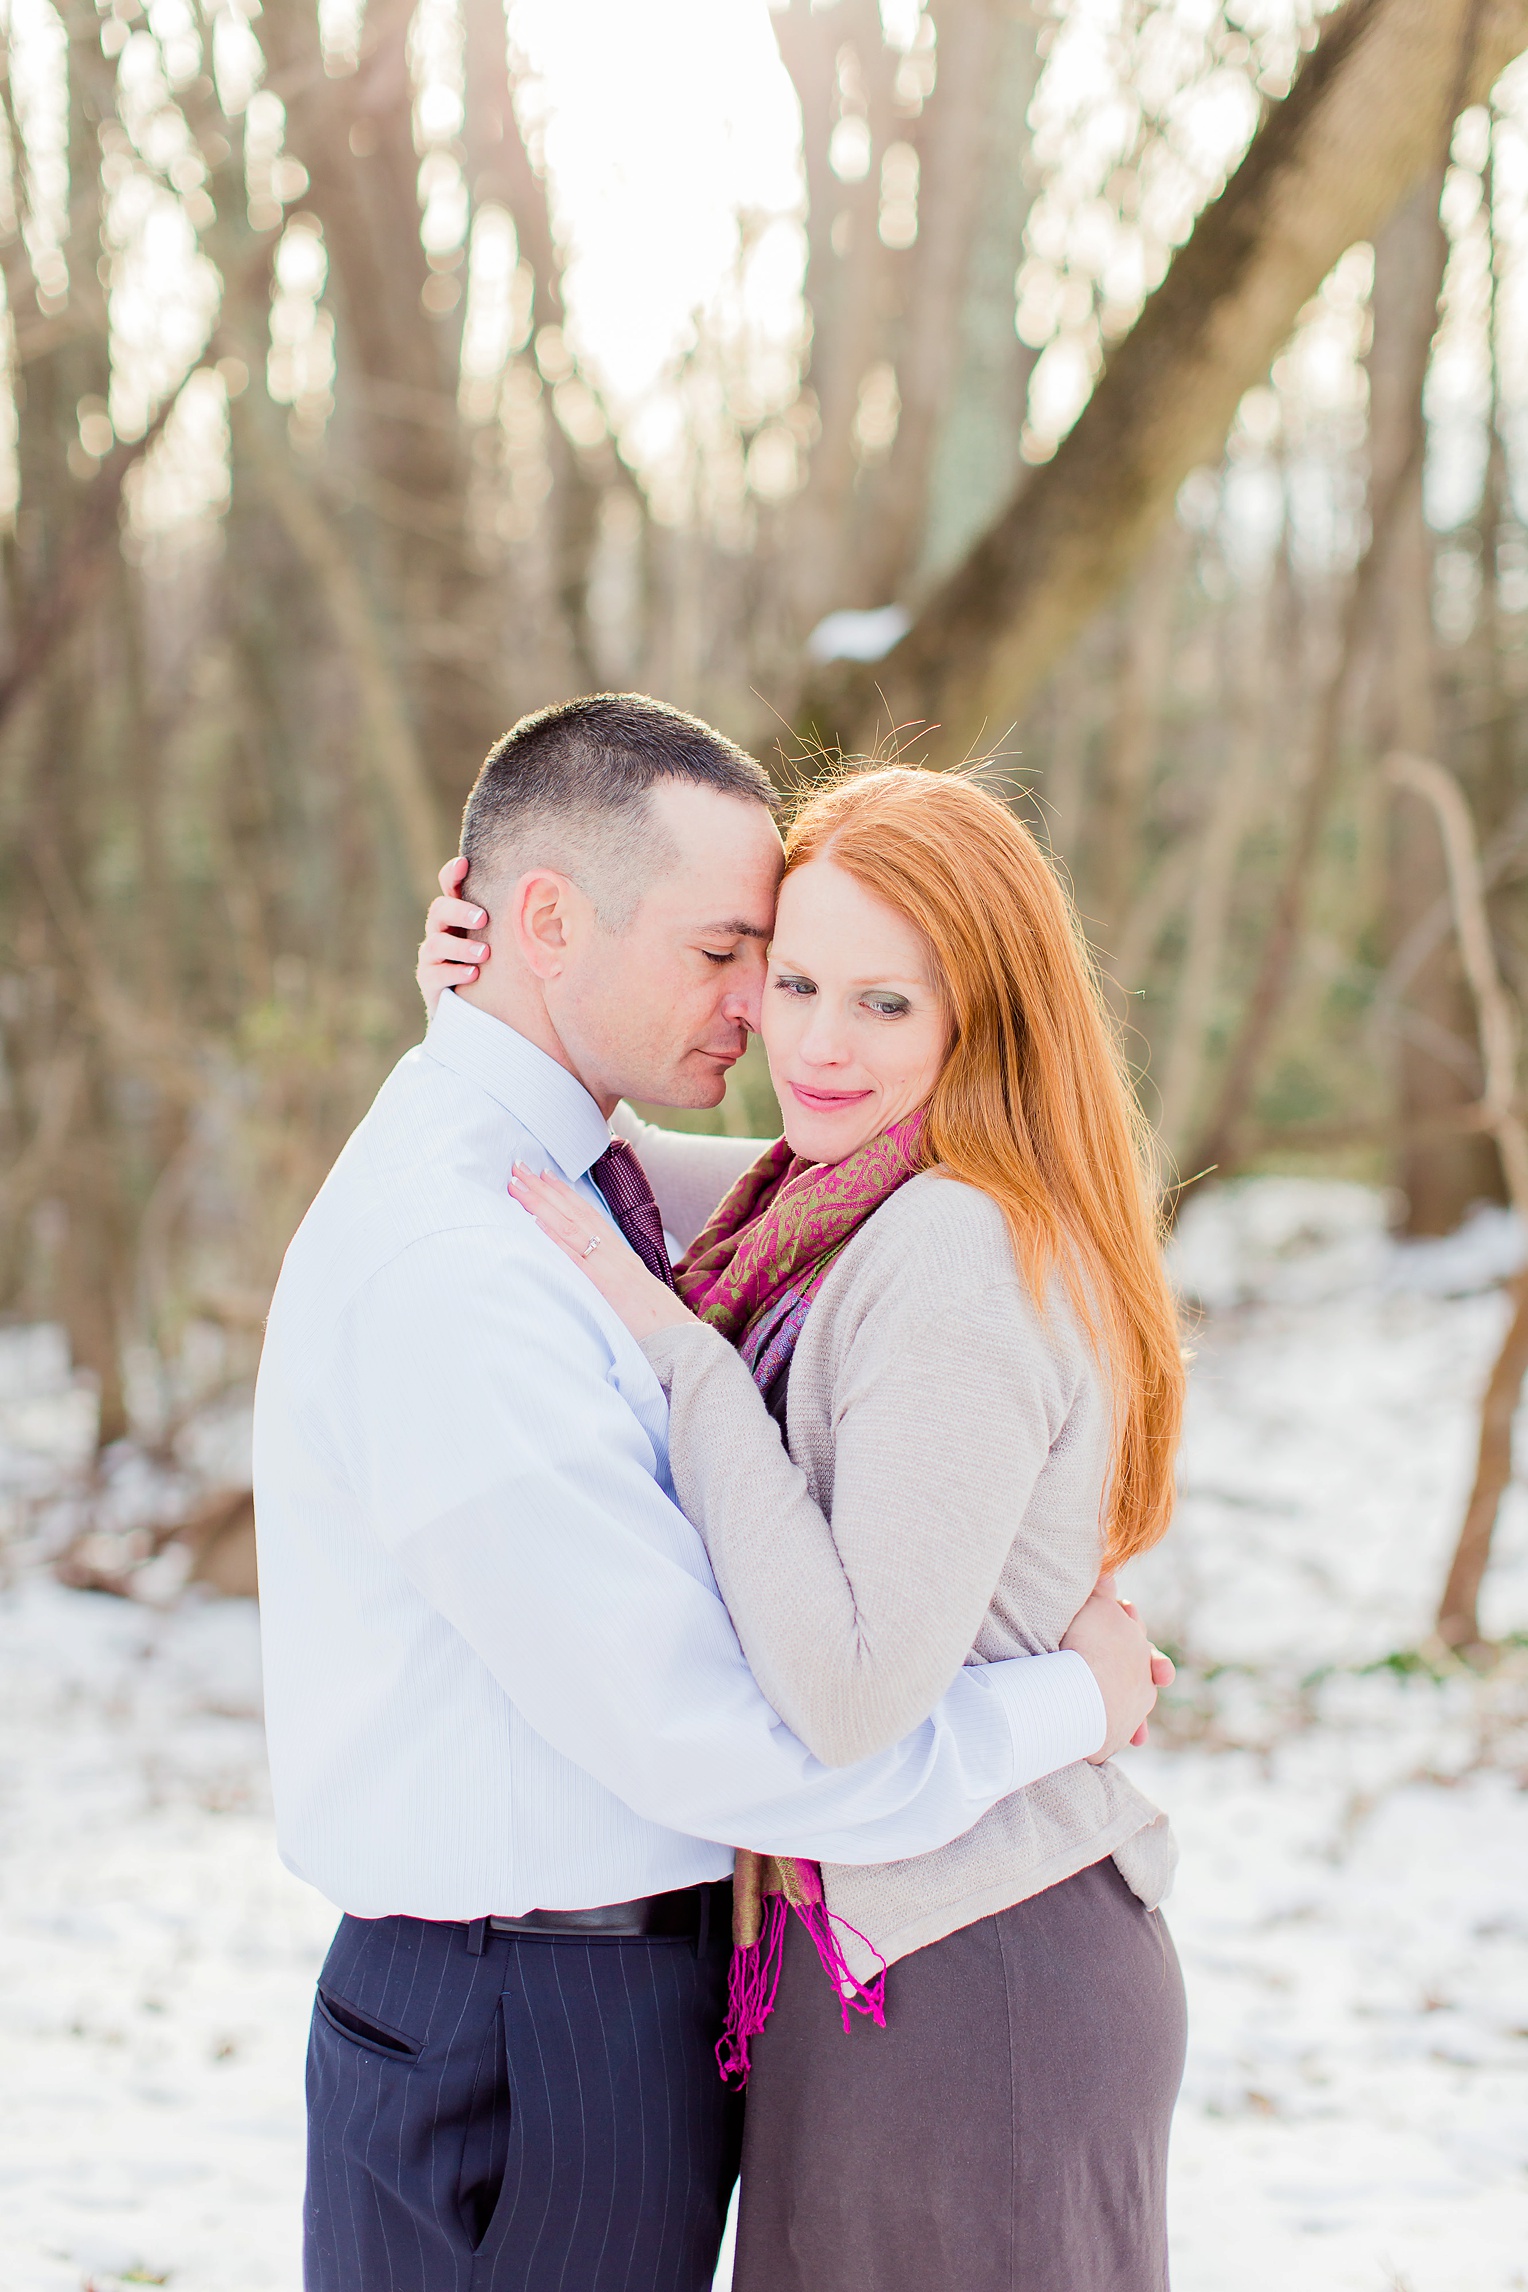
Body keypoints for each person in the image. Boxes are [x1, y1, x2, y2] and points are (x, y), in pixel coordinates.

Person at [256, 694, 1164, 2292]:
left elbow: (824, 1683)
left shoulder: (791, 1220)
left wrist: (493, 1020)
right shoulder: (482, 1259)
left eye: (859, 989)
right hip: (534, 2023)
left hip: (832, 1964)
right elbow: (728, 1740)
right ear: (545, 921)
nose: (771, 1021)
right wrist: (1066, 1711)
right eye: (743, 958)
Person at [495, 762, 1188, 2292]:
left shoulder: (945, 1244)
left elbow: (858, 1698)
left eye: (886, 1004)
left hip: (970, 1978)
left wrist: (685, 1367)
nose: (814, 1043)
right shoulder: (848, 1197)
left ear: (979, 1018)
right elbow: (641, 1171)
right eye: (794, 979)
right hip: (900, 1958)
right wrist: (498, 994)